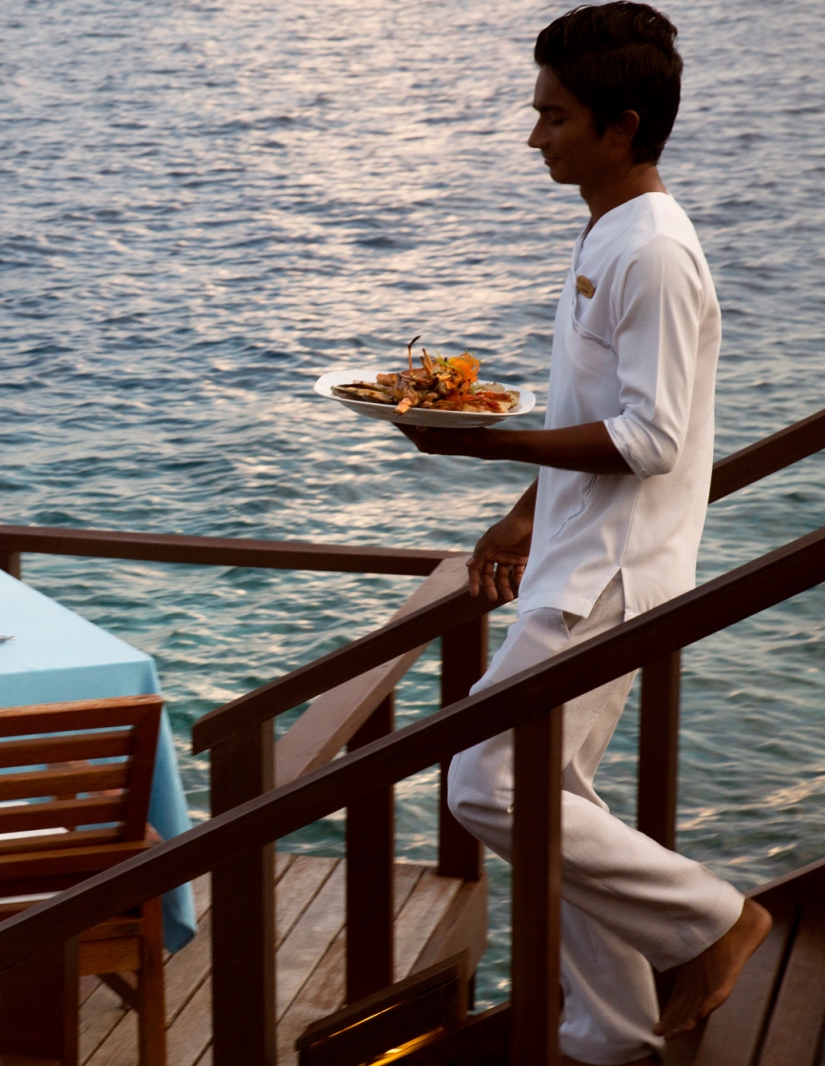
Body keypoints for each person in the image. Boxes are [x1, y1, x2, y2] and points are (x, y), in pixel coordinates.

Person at [397, 4, 771, 1063]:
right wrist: (525, 508)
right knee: (546, 795)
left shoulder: (653, 251)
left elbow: (651, 438)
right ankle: (609, 1033)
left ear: (622, 125)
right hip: (573, 556)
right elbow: (596, 402)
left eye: (554, 117)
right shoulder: (610, 230)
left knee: (485, 782)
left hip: (609, 578)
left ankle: (714, 919)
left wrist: (487, 447)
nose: (534, 137)